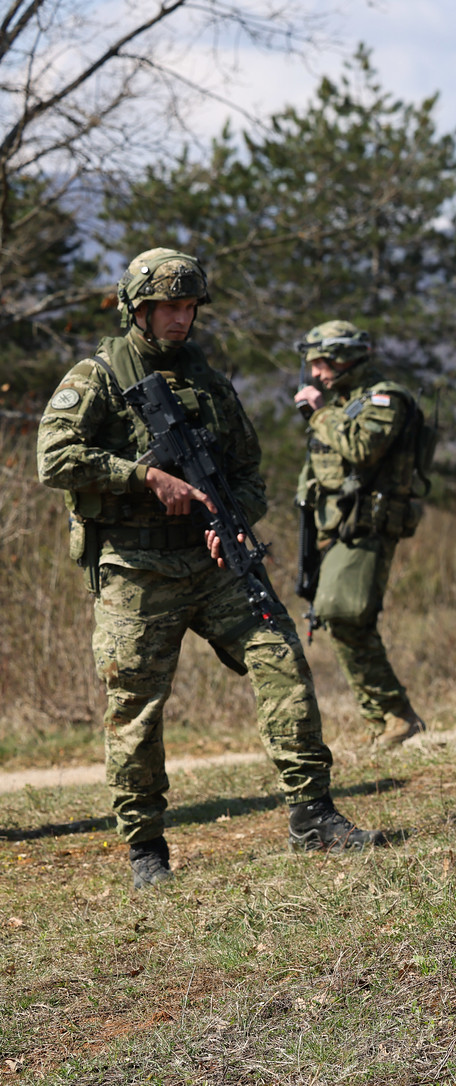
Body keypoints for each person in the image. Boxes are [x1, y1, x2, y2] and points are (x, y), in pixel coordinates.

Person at [37, 249, 379, 889]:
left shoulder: (211, 381)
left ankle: (313, 814)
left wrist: (234, 520)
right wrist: (144, 477)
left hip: (215, 561)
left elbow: (249, 472)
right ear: (137, 309)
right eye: (169, 306)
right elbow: (53, 458)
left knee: (282, 659)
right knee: (135, 707)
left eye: (190, 306)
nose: (181, 318)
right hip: (136, 569)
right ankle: (146, 850)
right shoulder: (99, 376)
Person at [293, 320, 429, 749]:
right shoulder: (346, 403)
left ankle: (395, 715)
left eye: (322, 362)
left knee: (345, 613)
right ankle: (387, 719)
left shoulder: (384, 399)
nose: (315, 373)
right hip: (337, 528)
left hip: (369, 526)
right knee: (340, 616)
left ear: (346, 356)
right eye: (312, 364)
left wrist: (319, 414)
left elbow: (363, 448)